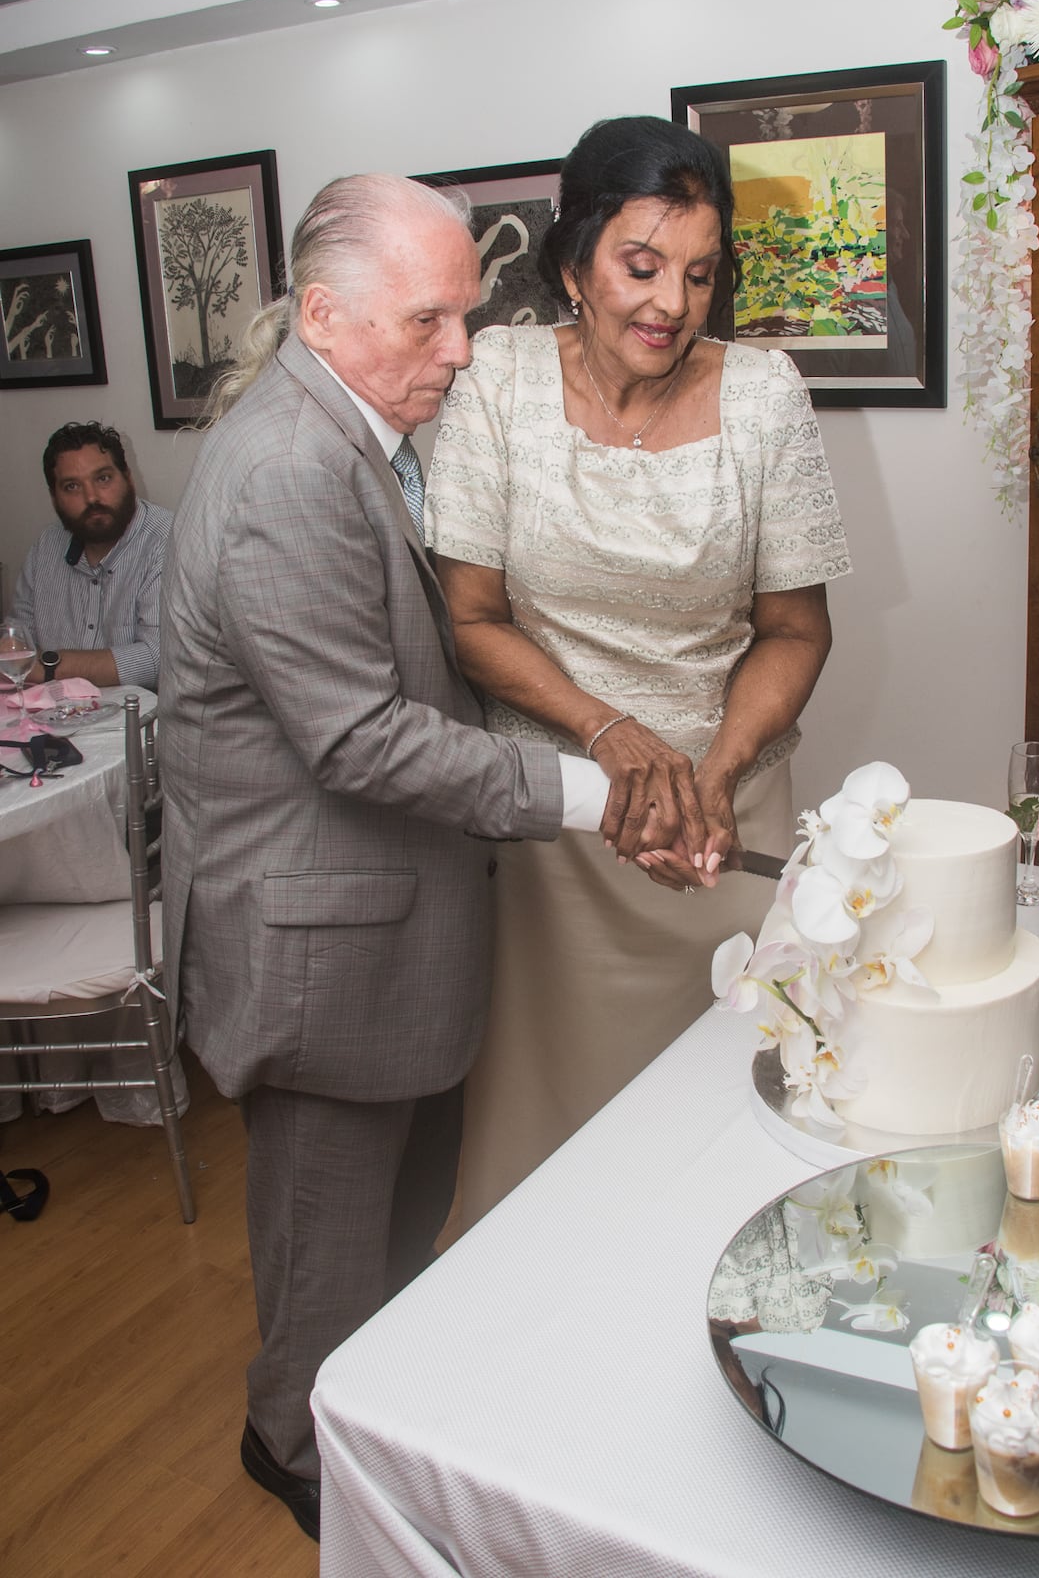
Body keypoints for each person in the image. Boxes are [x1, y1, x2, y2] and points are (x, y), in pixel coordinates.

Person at [158, 173, 658, 1543]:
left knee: (388, 1238)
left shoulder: (353, 433)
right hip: (316, 953)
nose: (461, 348)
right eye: (431, 320)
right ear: (326, 314)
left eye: (469, 314)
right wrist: (584, 788)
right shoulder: (285, 471)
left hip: (382, 927)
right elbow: (362, 741)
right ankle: (295, 1451)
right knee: (328, 1258)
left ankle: (364, 1434)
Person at [427, 115, 851, 1229]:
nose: (670, 302)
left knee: (726, 1140)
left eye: (700, 276)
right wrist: (611, 736)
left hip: (719, 832)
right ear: (576, 264)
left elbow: (797, 632)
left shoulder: (764, 394)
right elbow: (469, 618)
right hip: (558, 837)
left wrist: (712, 770)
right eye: (642, 265)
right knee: (547, 1143)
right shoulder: (498, 381)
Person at [10, 420, 170, 688]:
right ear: (54, 497)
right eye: (72, 486)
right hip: (54, 719)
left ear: (128, 477)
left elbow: (158, 659)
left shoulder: (167, 540)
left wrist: (47, 668)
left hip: (140, 724)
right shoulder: (47, 544)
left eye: (103, 478)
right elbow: (17, 640)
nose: (92, 497)